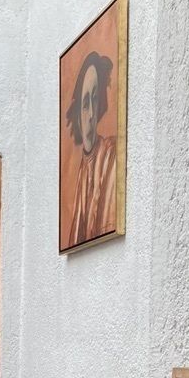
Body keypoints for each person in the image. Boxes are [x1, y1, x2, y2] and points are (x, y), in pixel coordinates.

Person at [64, 51, 117, 248]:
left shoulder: (110, 153)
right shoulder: (82, 168)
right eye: (86, 103)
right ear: (78, 113)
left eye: (95, 99)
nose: (92, 114)